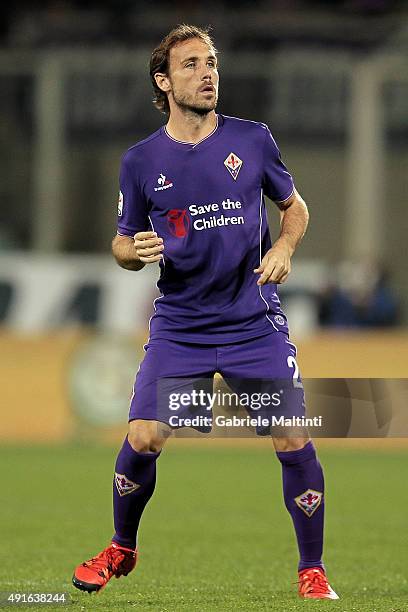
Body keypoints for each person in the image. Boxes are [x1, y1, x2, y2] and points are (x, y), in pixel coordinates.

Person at [72, 24, 338, 600]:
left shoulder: (253, 139)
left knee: (293, 437)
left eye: (211, 61)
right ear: (164, 82)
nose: (207, 72)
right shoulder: (141, 161)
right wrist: (131, 251)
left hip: (251, 320)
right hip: (183, 325)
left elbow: (295, 208)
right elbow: (122, 241)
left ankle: (311, 570)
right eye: (190, 64)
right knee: (143, 436)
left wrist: (285, 246)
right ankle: (121, 546)